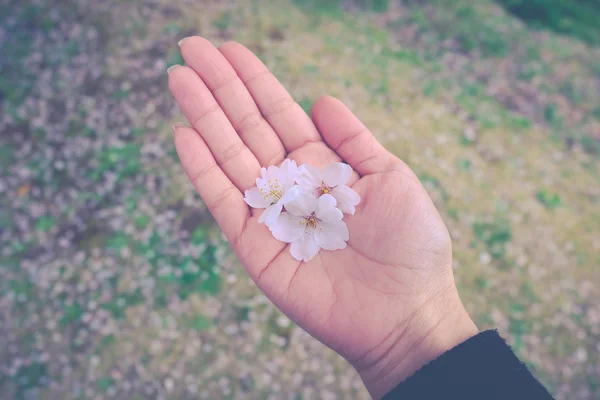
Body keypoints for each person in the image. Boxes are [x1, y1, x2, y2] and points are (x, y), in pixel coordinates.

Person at [167, 36, 554, 399]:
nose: (316, 215)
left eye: (316, 214)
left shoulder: (323, 207)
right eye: (314, 213)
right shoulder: (299, 204)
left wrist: (407, 333)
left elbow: (321, 214)